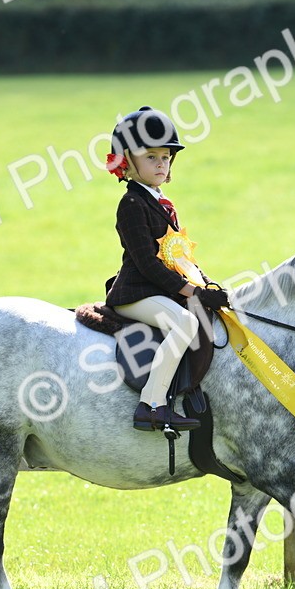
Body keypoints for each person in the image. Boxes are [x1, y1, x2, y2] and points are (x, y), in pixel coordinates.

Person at [103, 106, 230, 432]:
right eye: (151, 157)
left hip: (159, 288)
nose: (161, 164)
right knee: (185, 323)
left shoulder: (162, 202)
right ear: (128, 162)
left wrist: (206, 285)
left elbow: (178, 256)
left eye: (166, 157)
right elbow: (147, 264)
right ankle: (152, 404)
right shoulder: (131, 204)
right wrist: (191, 292)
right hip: (135, 291)